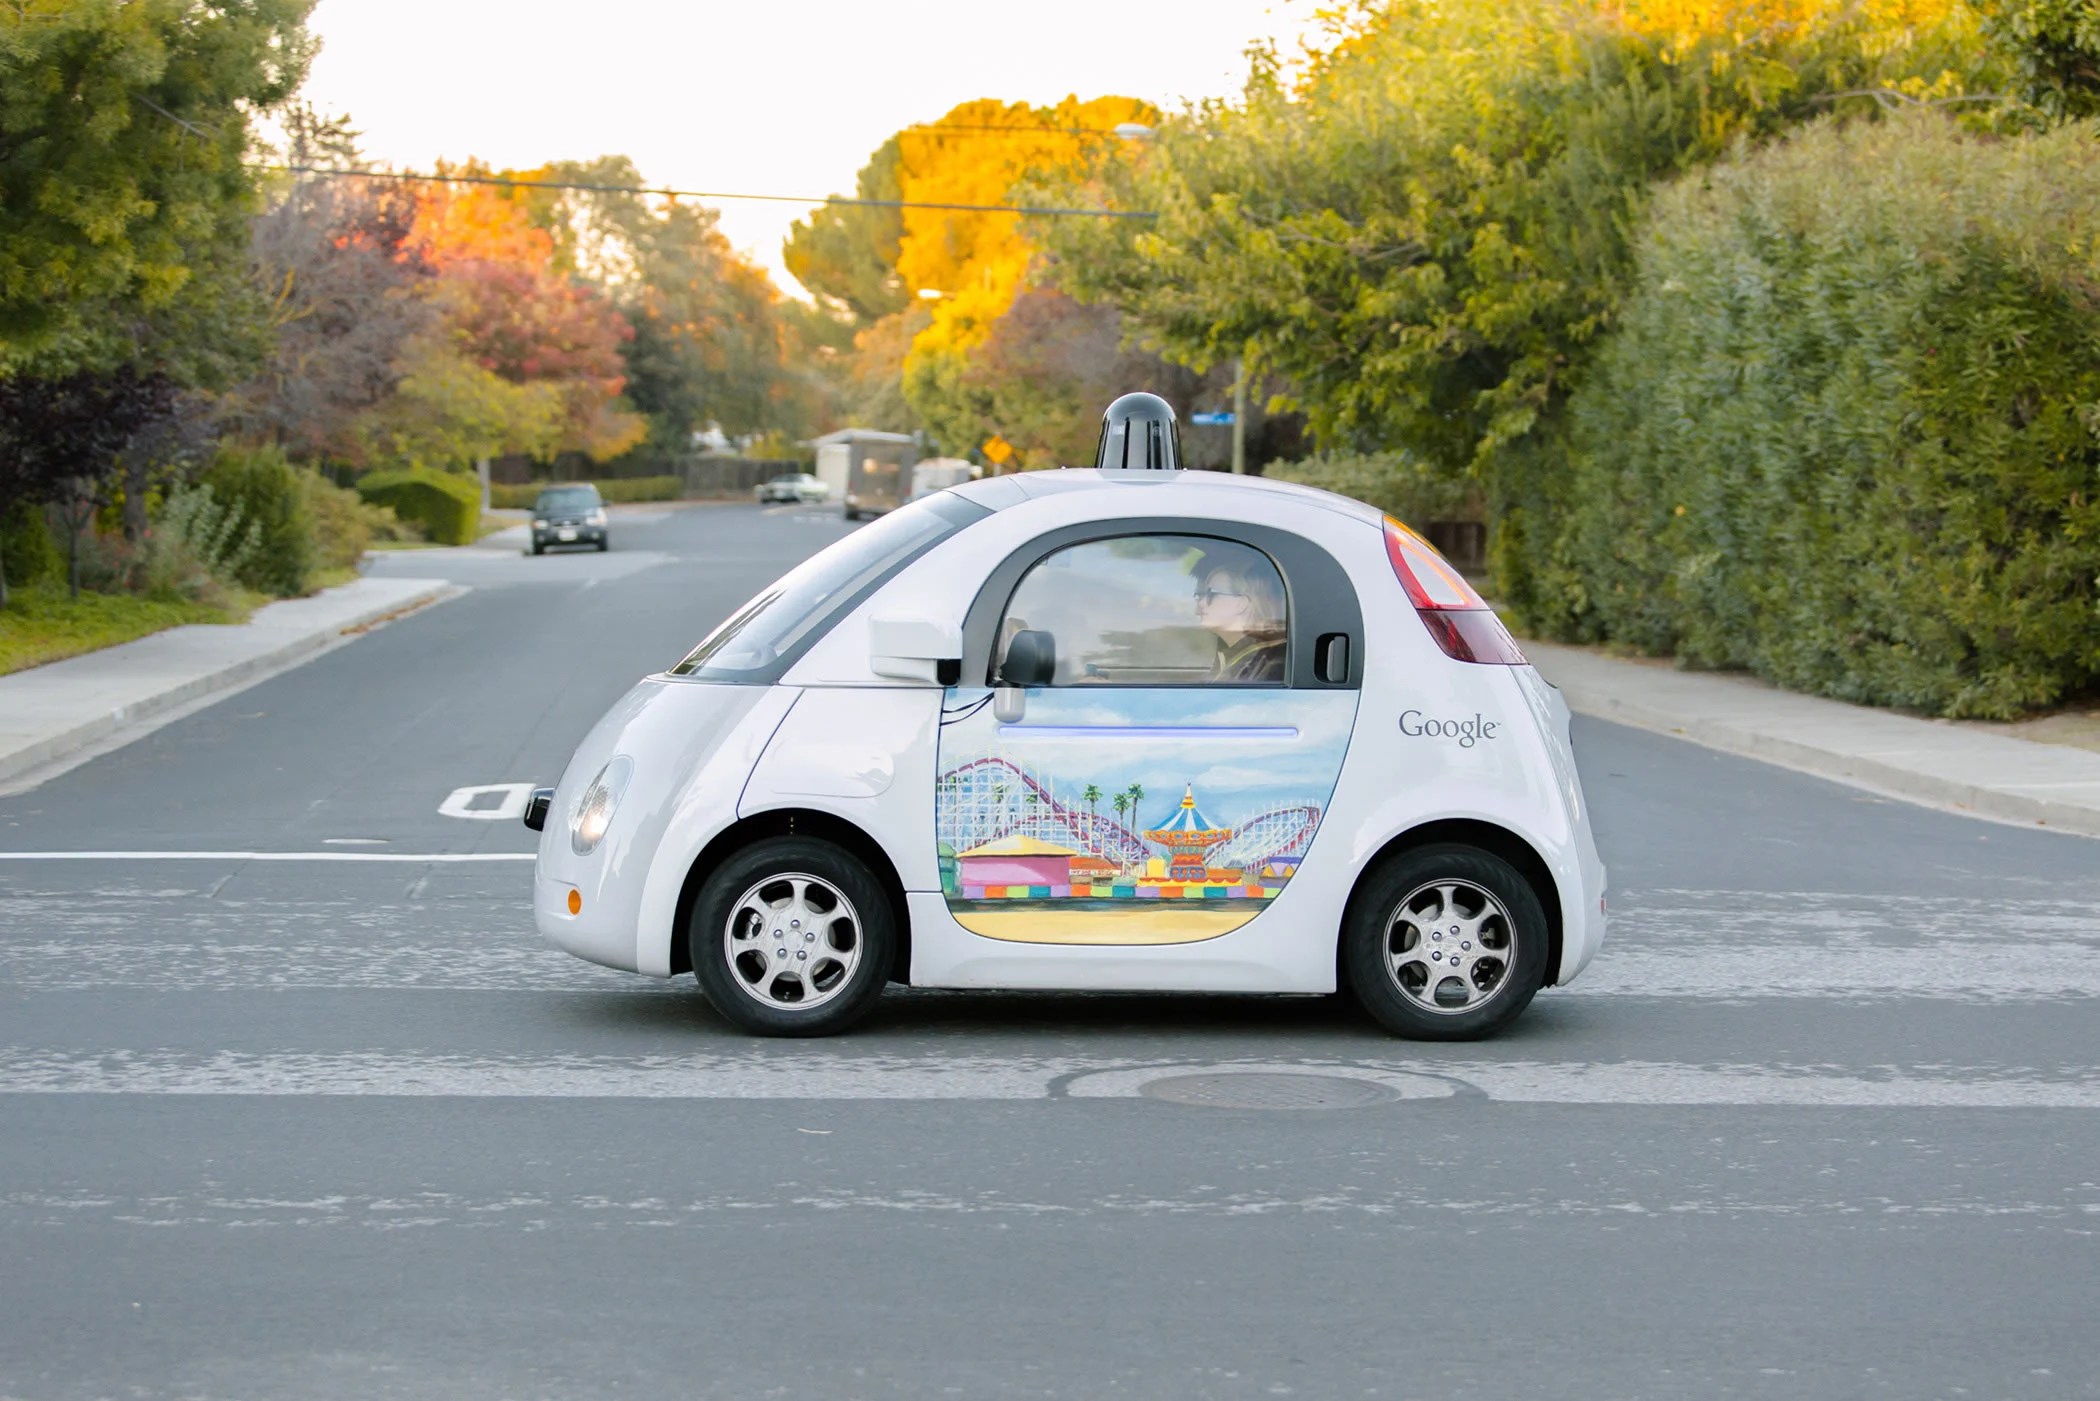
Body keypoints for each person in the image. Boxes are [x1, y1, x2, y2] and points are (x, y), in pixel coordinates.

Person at [1195, 556, 1286, 683]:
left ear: (1242, 603)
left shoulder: (1266, 662)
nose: (1201, 602)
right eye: (1200, 595)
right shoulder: (1231, 654)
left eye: (1211, 594)